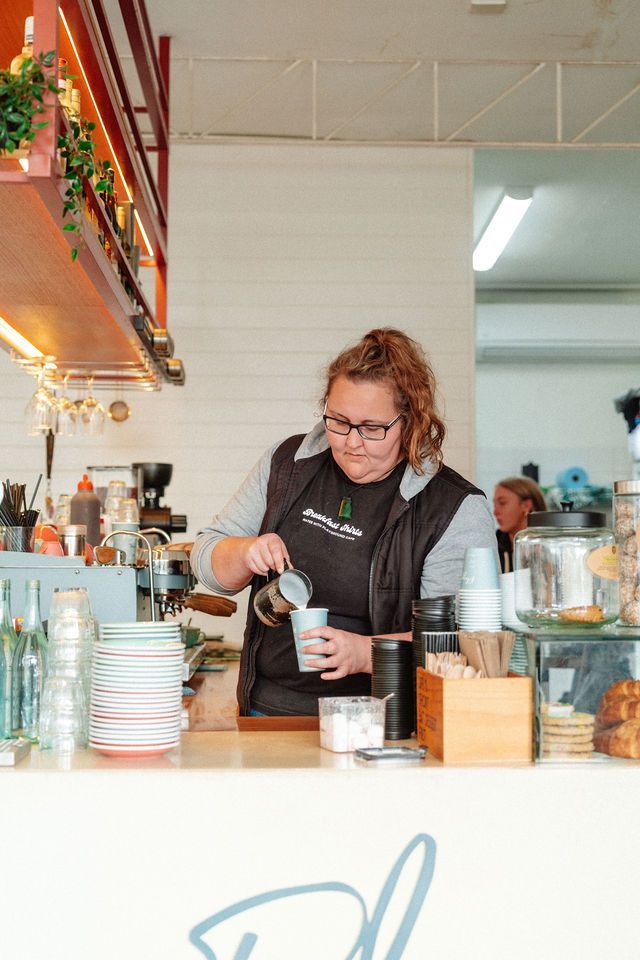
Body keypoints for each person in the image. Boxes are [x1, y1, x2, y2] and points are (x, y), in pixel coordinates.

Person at [190, 328, 497, 716]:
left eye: (372, 429)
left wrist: (365, 653)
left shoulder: (453, 508)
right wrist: (243, 550)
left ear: (411, 422)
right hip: (266, 711)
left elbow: (462, 639)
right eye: (339, 421)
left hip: (382, 723)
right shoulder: (288, 464)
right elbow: (207, 560)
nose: (351, 442)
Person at [493, 476, 547, 573]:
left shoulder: (549, 545)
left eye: (502, 503)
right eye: (495, 504)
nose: (495, 512)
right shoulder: (493, 544)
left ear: (526, 506)